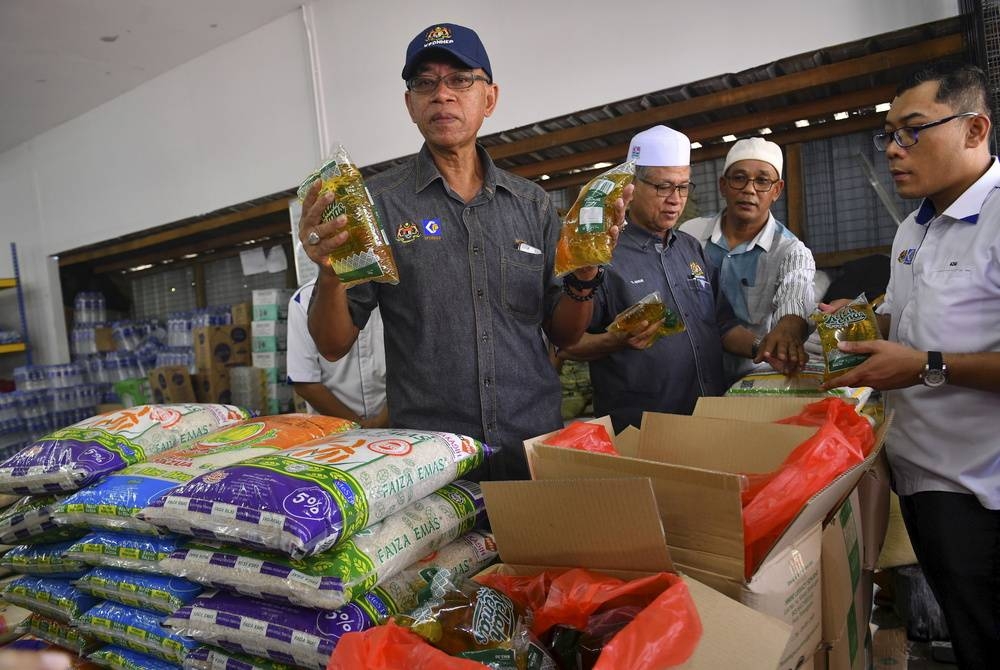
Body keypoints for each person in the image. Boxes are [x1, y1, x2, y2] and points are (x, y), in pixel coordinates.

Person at [297, 22, 629, 480]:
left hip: (532, 449)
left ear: (489, 98)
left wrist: (585, 273)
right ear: (410, 104)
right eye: (425, 83)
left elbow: (566, 335)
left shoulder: (531, 205)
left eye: (459, 80)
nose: (442, 95)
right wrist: (330, 272)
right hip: (433, 464)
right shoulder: (379, 205)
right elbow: (332, 346)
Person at [823, 62, 1000, 668]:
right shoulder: (913, 231)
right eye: (889, 135)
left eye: (913, 130)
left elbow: (924, 353)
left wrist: (925, 364)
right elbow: (902, 323)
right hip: (923, 484)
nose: (894, 150)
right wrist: (851, 323)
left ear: (975, 129)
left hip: (984, 492)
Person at [558, 125, 793, 432]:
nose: (675, 200)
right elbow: (568, 344)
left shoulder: (690, 247)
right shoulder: (603, 255)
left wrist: (763, 347)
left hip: (709, 418)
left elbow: (721, 325)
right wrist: (615, 341)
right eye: (663, 187)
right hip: (642, 429)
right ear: (631, 186)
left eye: (683, 188)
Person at [682, 137, 814, 383]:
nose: (749, 189)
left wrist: (788, 329)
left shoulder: (790, 251)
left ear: (777, 190)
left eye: (762, 180)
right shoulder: (691, 236)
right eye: (739, 178)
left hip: (752, 375)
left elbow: (796, 295)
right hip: (691, 376)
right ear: (723, 185)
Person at [286, 280, 388, 427]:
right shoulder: (304, 298)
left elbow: (410, 365)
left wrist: (383, 421)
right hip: (334, 430)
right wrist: (358, 425)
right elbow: (305, 383)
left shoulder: (391, 291)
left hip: (396, 425)